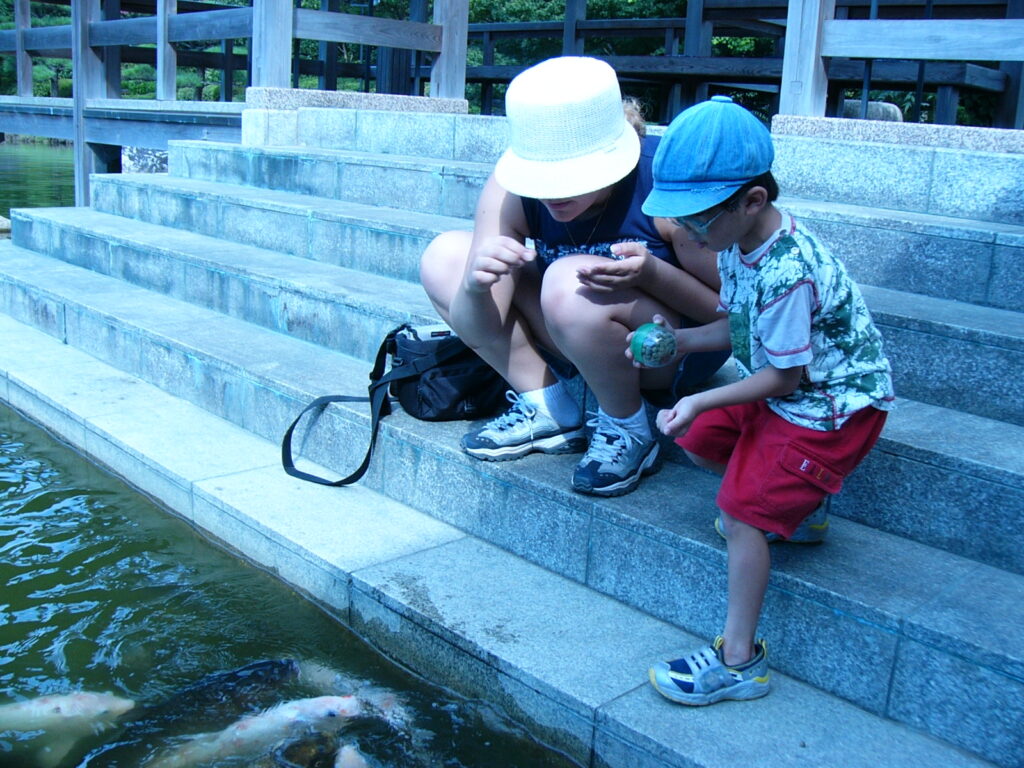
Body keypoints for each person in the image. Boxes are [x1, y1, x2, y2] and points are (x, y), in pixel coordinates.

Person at [635, 95, 895, 705]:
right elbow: (740, 328)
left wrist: (702, 399)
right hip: (794, 387)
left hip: (833, 408)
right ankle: (800, 511)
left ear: (752, 200)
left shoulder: (788, 270)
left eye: (698, 218)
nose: (686, 231)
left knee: (740, 513)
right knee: (700, 442)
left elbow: (784, 378)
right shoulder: (735, 246)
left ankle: (739, 661)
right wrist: (674, 343)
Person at [419, 56, 729, 497]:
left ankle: (628, 427)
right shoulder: (512, 191)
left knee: (570, 279)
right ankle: (548, 405)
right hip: (573, 329)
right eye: (541, 176)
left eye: (568, 176)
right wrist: (475, 285)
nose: (551, 193)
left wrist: (652, 274)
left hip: (670, 349)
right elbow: (479, 329)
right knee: (445, 255)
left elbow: (738, 318)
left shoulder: (661, 183)